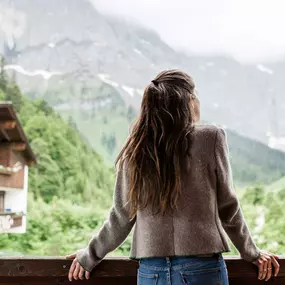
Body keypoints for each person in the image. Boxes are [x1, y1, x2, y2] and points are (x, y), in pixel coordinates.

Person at [67, 70, 280, 284]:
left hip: (152, 272)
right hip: (202, 269)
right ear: (188, 100)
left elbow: (121, 217)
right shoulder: (210, 138)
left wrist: (89, 255)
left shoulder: (136, 149)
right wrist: (251, 253)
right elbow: (228, 207)